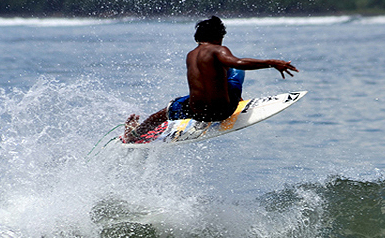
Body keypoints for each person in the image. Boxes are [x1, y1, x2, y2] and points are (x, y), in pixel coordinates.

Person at [122, 16, 298, 143]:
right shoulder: (217, 50)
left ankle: (133, 135)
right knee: (235, 68)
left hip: (196, 111)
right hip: (222, 110)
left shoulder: (191, 55)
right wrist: (272, 63)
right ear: (217, 37)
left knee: (164, 112)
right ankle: (237, 98)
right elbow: (237, 62)